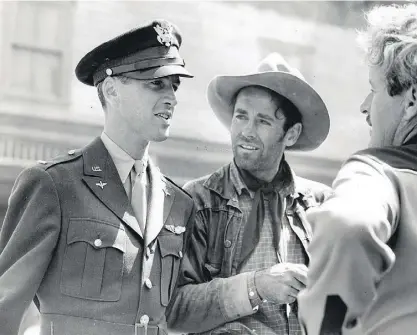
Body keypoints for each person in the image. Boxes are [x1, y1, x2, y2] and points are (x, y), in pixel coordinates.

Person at [0, 19, 195, 335]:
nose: (171, 97)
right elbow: (5, 306)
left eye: (174, 84)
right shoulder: (54, 184)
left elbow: (176, 308)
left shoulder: (178, 201)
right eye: (155, 83)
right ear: (112, 90)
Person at [297, 4, 417, 335]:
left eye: (374, 89)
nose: (365, 106)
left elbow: (347, 225)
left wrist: (325, 328)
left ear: (411, 100)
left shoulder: (378, 170)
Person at [166, 53, 331, 335]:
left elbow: (344, 301)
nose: (246, 132)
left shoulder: (320, 203)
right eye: (241, 117)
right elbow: (175, 310)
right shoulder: (197, 200)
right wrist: (257, 286)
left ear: (291, 135)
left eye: (263, 122)